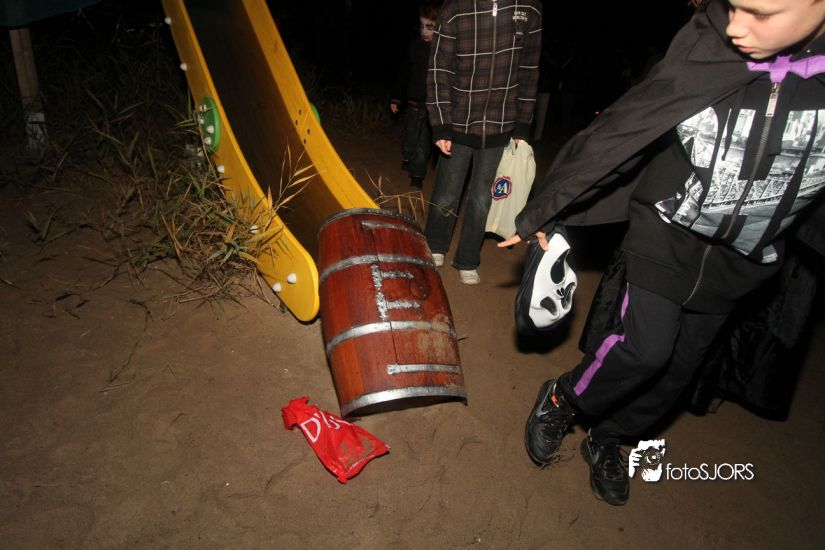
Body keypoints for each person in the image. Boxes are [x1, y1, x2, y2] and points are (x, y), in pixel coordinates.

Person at [499, 0, 825, 505]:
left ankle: (609, 437)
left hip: (741, 256)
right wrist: (546, 208)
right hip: (669, 227)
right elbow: (625, 126)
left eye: (760, 13)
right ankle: (565, 397)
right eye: (734, 6)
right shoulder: (708, 47)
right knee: (646, 348)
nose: (737, 27)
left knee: (678, 372)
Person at [425, 0, 542, 285]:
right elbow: (439, 69)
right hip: (458, 122)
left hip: (501, 124)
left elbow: (529, 71)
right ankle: (435, 245)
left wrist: (523, 124)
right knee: (446, 193)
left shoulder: (529, 9)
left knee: (482, 198)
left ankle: (467, 259)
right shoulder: (455, 8)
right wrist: (441, 124)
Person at [390, 2, 442, 188]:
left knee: (424, 142)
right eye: (422, 26)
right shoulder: (415, 46)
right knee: (411, 136)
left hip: (431, 105)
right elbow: (403, 74)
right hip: (413, 101)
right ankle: (407, 156)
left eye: (430, 27)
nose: (424, 31)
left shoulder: (442, 50)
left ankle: (417, 174)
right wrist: (396, 98)